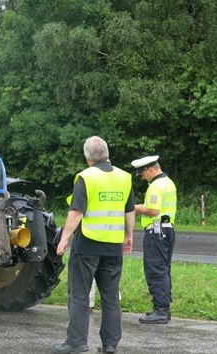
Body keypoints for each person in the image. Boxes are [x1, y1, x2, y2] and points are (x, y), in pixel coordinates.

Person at [52, 136, 135, 354]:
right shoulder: (124, 178)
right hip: (114, 247)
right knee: (110, 296)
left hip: (87, 246)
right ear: (106, 153)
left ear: (88, 157)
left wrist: (64, 238)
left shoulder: (86, 177)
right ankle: (110, 345)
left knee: (79, 294)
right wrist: (129, 235)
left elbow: (77, 211)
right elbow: (129, 210)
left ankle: (76, 343)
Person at [131, 155, 177, 324]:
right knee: (163, 269)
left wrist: (132, 208)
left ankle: (161, 311)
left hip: (156, 232)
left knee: (156, 269)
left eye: (142, 174)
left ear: (150, 169)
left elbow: (152, 210)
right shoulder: (168, 182)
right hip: (167, 230)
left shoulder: (156, 186)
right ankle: (163, 308)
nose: (142, 178)